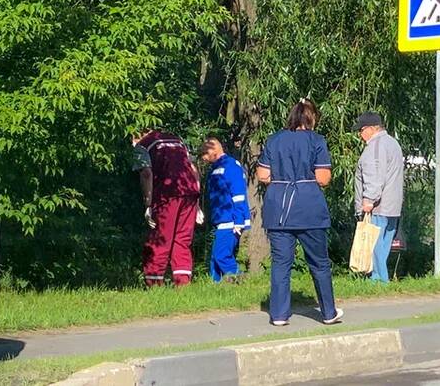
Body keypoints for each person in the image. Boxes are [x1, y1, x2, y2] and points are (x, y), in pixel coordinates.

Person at [257, 98, 343, 326]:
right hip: (309, 208)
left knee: (280, 263)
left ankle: (279, 315)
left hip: (278, 210)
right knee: (319, 263)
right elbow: (323, 178)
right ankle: (328, 312)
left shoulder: (274, 140)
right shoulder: (317, 141)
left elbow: (263, 175)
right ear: (312, 118)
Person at [133, 129, 202, 286]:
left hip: (166, 194)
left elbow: (146, 174)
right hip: (190, 192)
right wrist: (197, 202)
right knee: (182, 240)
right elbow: (193, 169)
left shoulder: (143, 145)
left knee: (161, 238)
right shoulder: (177, 140)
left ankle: (154, 283)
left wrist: (148, 203)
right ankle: (183, 284)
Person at [352, 112, 405, 283]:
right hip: (393, 205)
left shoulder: (375, 146)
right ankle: (380, 279)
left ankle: (379, 280)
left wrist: (368, 200)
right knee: (383, 245)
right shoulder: (392, 143)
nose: (360, 135)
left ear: (370, 128)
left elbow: (374, 176)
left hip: (379, 206)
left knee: (374, 244)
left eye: (361, 130)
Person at [202, 137, 250, 282]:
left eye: (204, 153)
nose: (203, 158)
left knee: (221, 255)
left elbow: (238, 194)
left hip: (231, 220)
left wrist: (239, 220)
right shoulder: (216, 168)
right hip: (222, 219)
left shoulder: (230, 166)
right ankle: (215, 285)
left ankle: (239, 279)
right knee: (215, 258)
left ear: (214, 151)